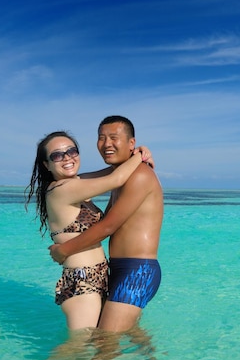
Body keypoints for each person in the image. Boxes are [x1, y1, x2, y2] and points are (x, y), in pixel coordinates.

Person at [25, 130, 153, 331]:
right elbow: (116, 178)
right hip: (82, 282)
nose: (67, 157)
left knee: (96, 346)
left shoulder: (75, 184)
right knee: (79, 350)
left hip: (98, 278)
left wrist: (137, 153)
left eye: (71, 151)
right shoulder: (62, 189)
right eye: (57, 155)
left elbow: (112, 171)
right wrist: (138, 156)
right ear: (46, 164)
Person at [49, 115, 164, 333]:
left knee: (104, 344)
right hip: (119, 268)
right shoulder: (121, 174)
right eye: (101, 138)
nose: (106, 144)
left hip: (137, 271)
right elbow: (76, 182)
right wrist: (138, 153)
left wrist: (63, 250)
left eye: (113, 138)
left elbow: (108, 226)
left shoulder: (138, 175)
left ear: (131, 143)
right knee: (126, 334)